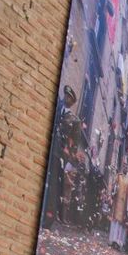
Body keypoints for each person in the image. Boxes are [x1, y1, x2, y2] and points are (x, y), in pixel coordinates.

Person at [43, 85, 83, 228]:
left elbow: (74, 145)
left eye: (69, 97)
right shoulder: (57, 108)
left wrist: (67, 159)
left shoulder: (75, 121)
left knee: (53, 185)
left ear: (72, 102)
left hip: (59, 155)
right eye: (66, 95)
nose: (66, 98)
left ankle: (48, 218)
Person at [108, 163, 128, 249]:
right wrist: (114, 191)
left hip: (124, 205)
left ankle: (118, 242)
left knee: (120, 224)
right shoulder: (119, 176)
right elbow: (114, 185)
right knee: (115, 221)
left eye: (126, 167)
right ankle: (112, 240)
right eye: (124, 167)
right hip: (117, 202)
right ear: (122, 168)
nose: (125, 168)